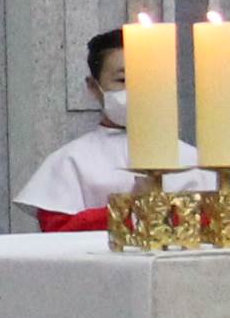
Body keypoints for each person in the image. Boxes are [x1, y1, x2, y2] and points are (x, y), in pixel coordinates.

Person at [15, 30, 139, 232]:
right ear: (93, 86)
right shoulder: (70, 161)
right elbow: (58, 230)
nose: (137, 90)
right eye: (123, 80)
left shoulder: (189, 158)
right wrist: (134, 211)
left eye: (148, 79)